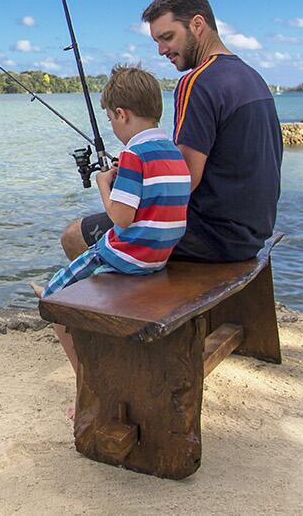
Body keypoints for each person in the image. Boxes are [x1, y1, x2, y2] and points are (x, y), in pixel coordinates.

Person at [59, 0, 281, 264]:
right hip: (252, 232)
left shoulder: (197, 82)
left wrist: (123, 181)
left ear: (197, 25)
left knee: (73, 236)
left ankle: (129, 306)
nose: (162, 50)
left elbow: (185, 178)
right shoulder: (252, 77)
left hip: (212, 235)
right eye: (157, 42)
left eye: (167, 38)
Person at [35, 65, 190, 382]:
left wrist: (104, 182)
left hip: (129, 256)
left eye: (110, 120)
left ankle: (86, 384)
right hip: (158, 257)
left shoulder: (134, 155)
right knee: (85, 277)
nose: (112, 127)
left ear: (121, 114)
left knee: (51, 300)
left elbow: (121, 218)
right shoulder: (172, 150)